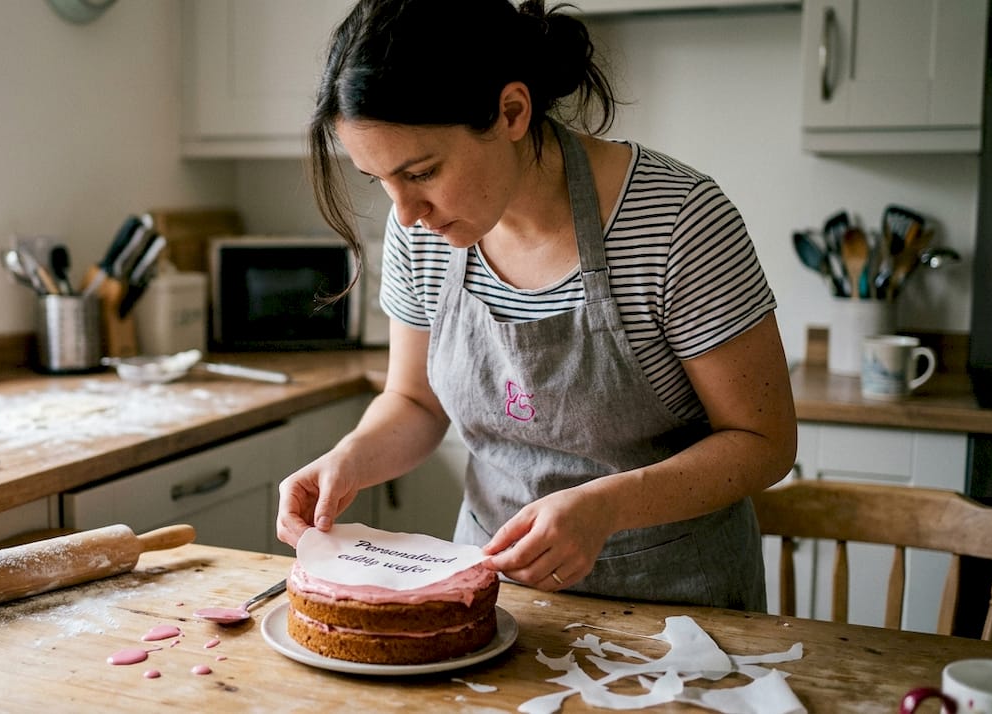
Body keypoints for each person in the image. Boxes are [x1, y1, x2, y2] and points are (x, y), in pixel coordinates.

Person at [276, 0, 797, 610]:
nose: (405, 212)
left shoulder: (676, 220)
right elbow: (414, 401)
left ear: (512, 111)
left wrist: (607, 506)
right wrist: (349, 459)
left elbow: (764, 440)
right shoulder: (423, 232)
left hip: (677, 610)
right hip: (493, 597)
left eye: (421, 171)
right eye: (379, 180)